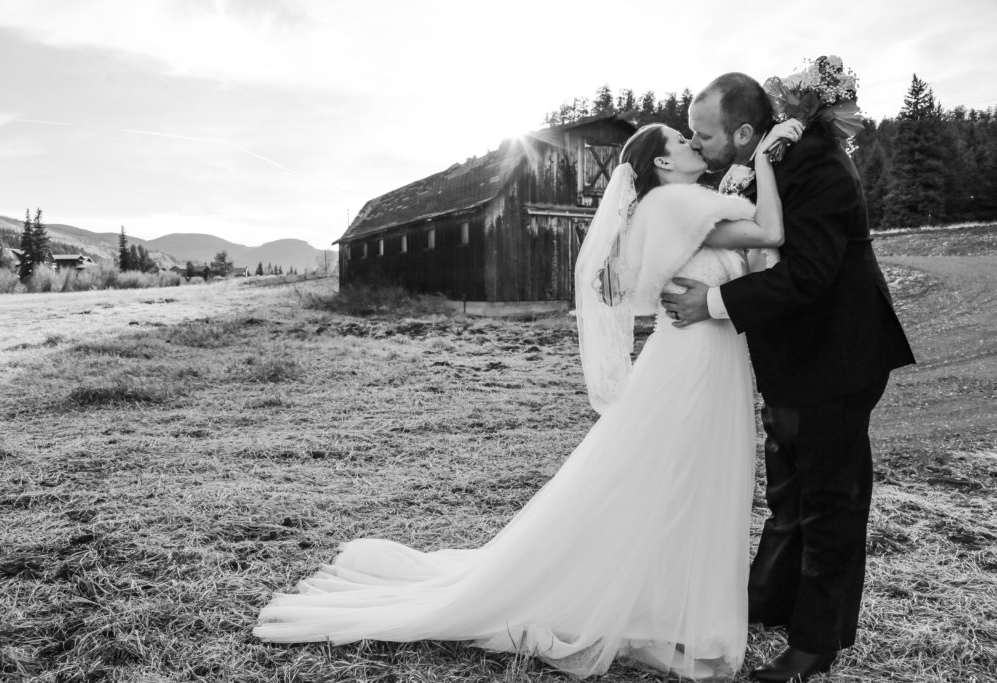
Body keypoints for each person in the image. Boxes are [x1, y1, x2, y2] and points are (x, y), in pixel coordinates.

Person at [253, 118, 803, 680]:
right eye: (682, 141)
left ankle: (673, 605)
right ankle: (673, 612)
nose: (693, 144)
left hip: (705, 358)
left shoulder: (683, 205)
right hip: (692, 365)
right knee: (682, 480)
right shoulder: (677, 203)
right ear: (662, 163)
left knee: (682, 482)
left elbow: (748, 261)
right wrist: (763, 156)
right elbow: (770, 234)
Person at [662, 72, 916, 682]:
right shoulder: (758, 164)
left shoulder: (819, 165)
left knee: (830, 503)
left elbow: (810, 273)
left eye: (705, 135)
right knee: (787, 495)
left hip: (838, 356)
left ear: (744, 131)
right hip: (788, 360)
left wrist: (715, 302)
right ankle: (770, 601)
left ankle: (815, 644)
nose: (698, 147)